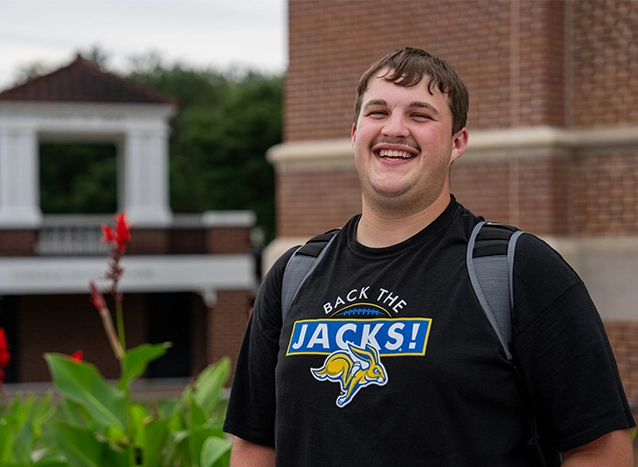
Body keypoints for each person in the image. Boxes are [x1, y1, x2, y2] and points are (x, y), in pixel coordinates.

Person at [223, 47, 635, 466]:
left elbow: (602, 450)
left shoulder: (515, 269)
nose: (395, 129)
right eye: (378, 112)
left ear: (458, 142)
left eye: (420, 115)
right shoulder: (295, 274)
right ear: (354, 134)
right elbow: (255, 441)